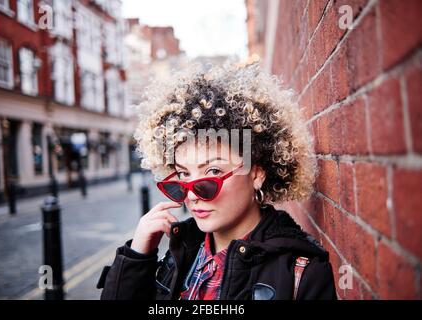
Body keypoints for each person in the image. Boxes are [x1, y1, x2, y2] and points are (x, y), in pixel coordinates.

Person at [98, 61, 337, 300]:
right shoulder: (181, 251)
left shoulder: (303, 273)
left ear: (257, 173)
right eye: (183, 174)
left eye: (213, 171)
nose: (192, 195)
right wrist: (137, 257)